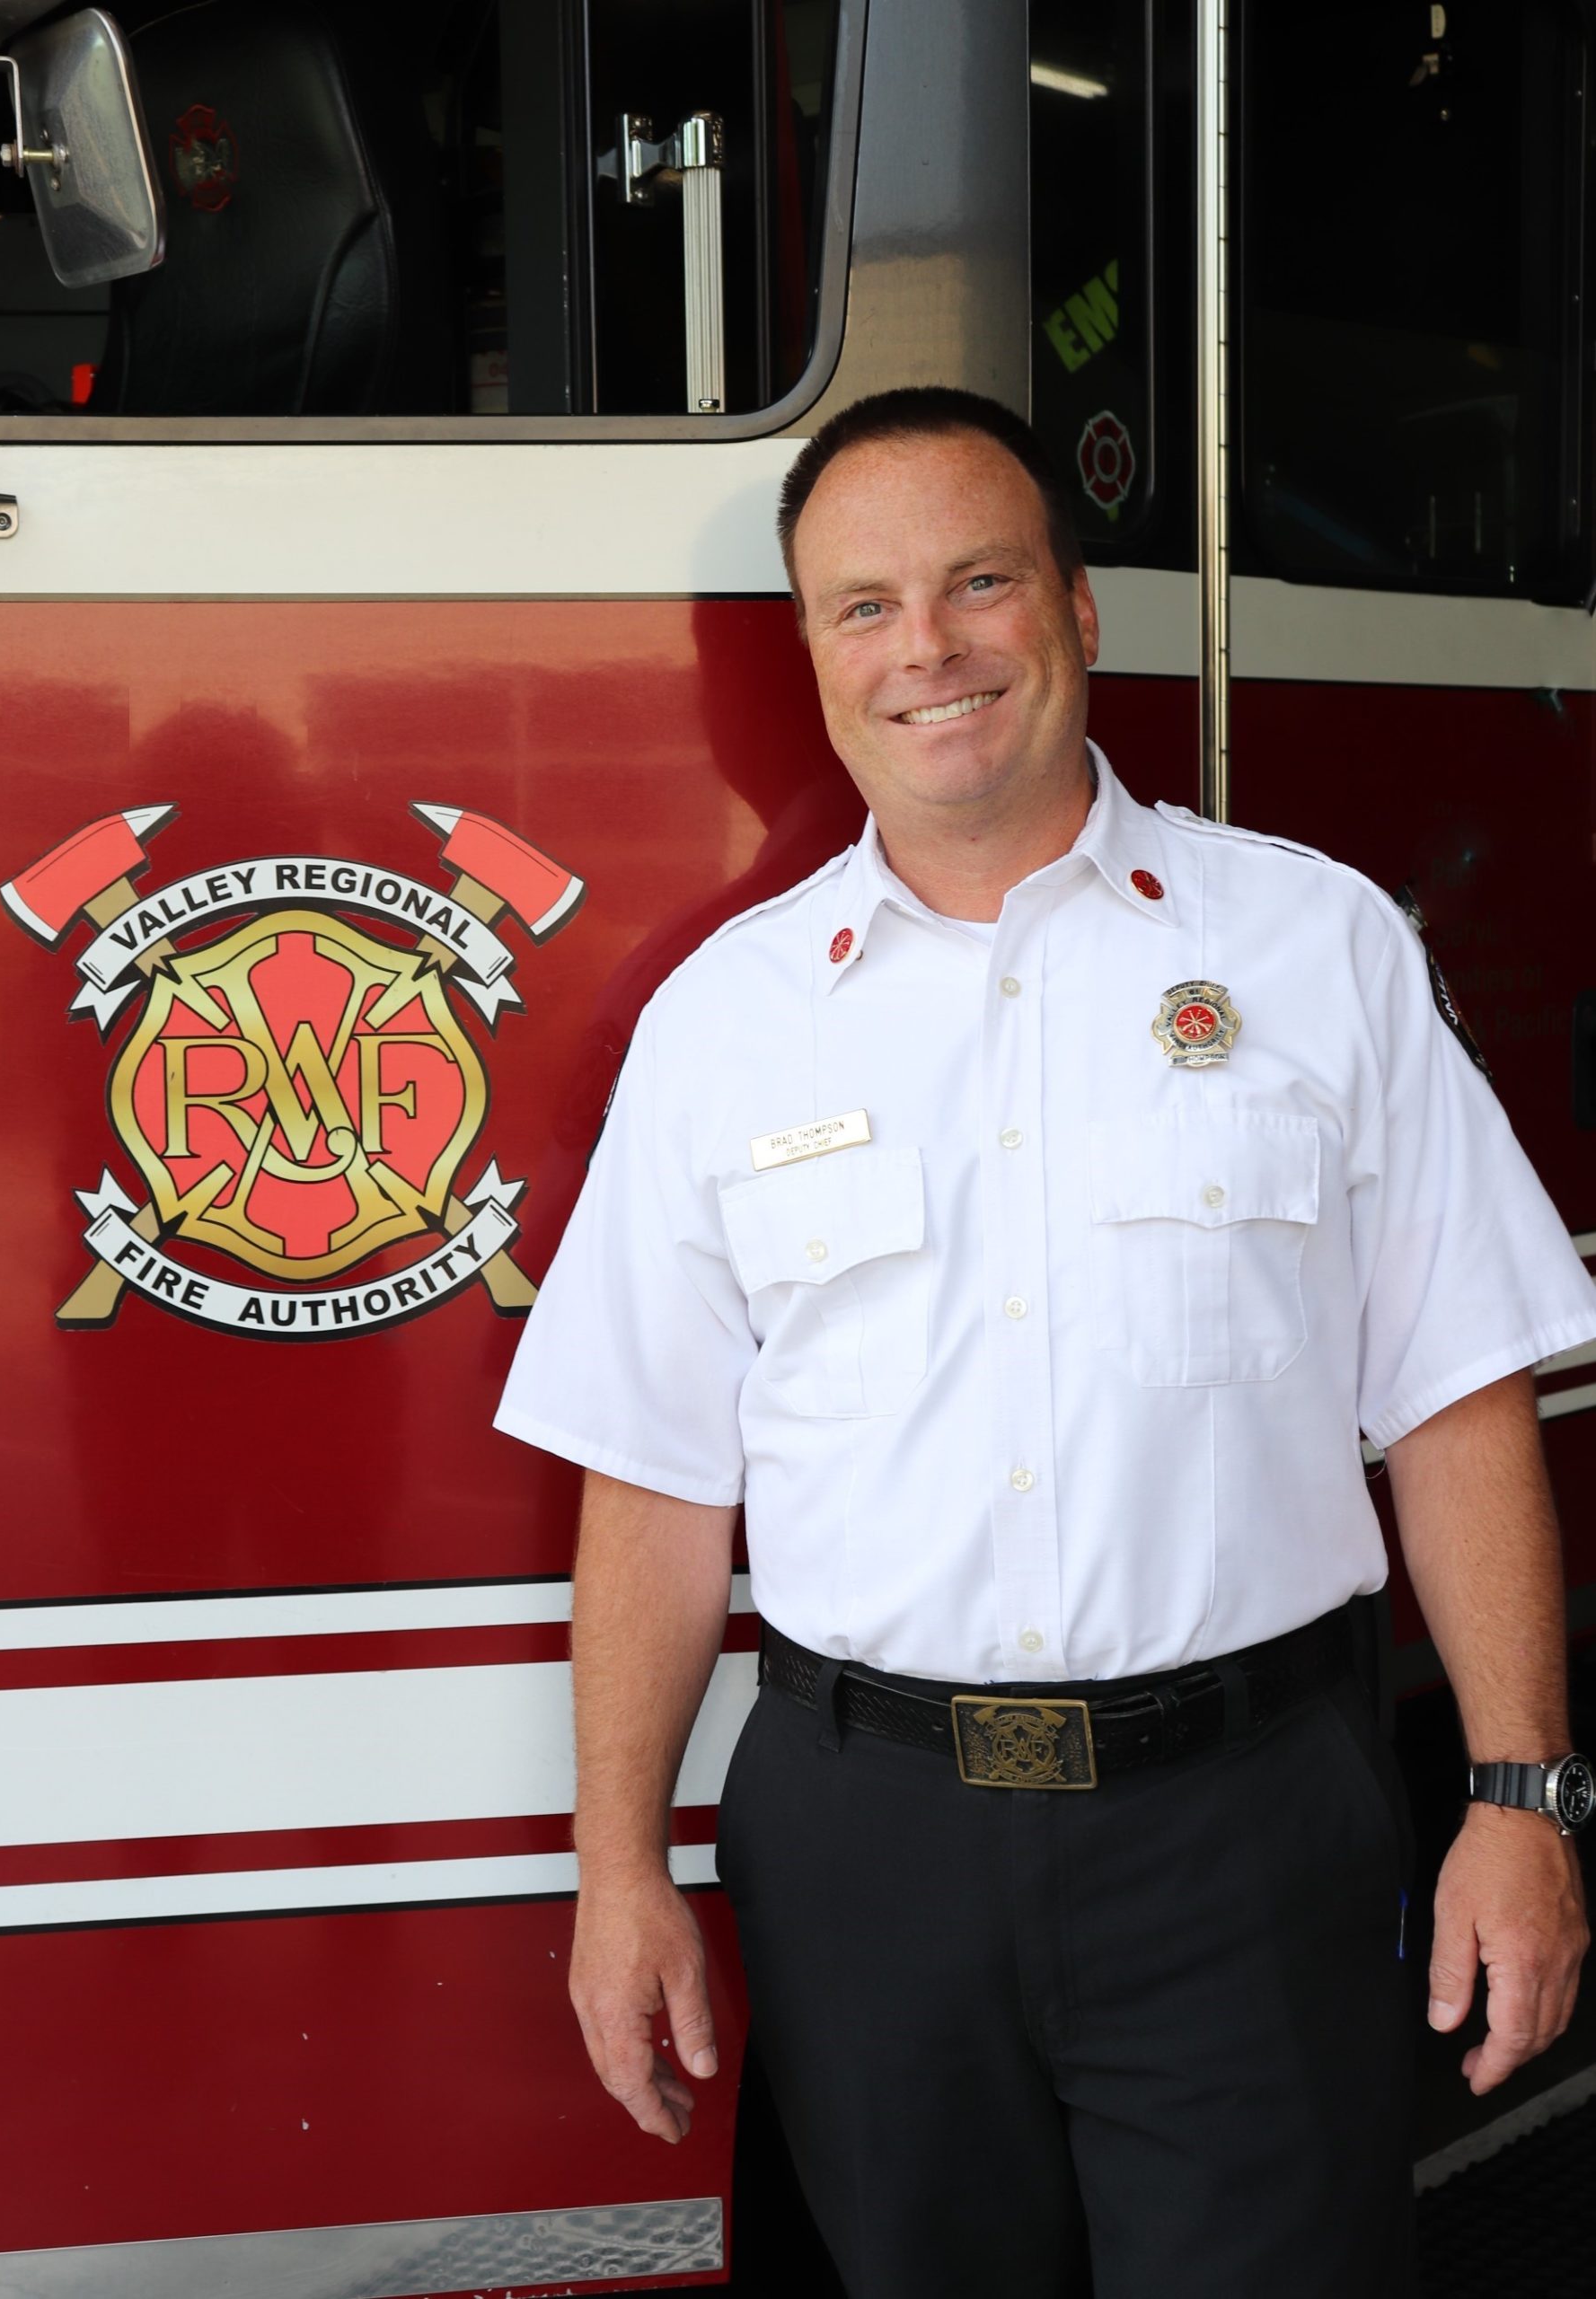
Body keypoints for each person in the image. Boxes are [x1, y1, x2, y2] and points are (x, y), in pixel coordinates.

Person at [494, 386, 1596, 2297]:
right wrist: (616, 1867)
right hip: (868, 1854)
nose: (924, 647)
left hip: (1244, 1832)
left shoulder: (1312, 947)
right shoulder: (723, 1023)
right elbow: (654, 1480)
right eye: (860, 605)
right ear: (815, 657)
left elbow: (1454, 1392)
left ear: (1077, 612)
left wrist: (1518, 1796)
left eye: (975, 581)